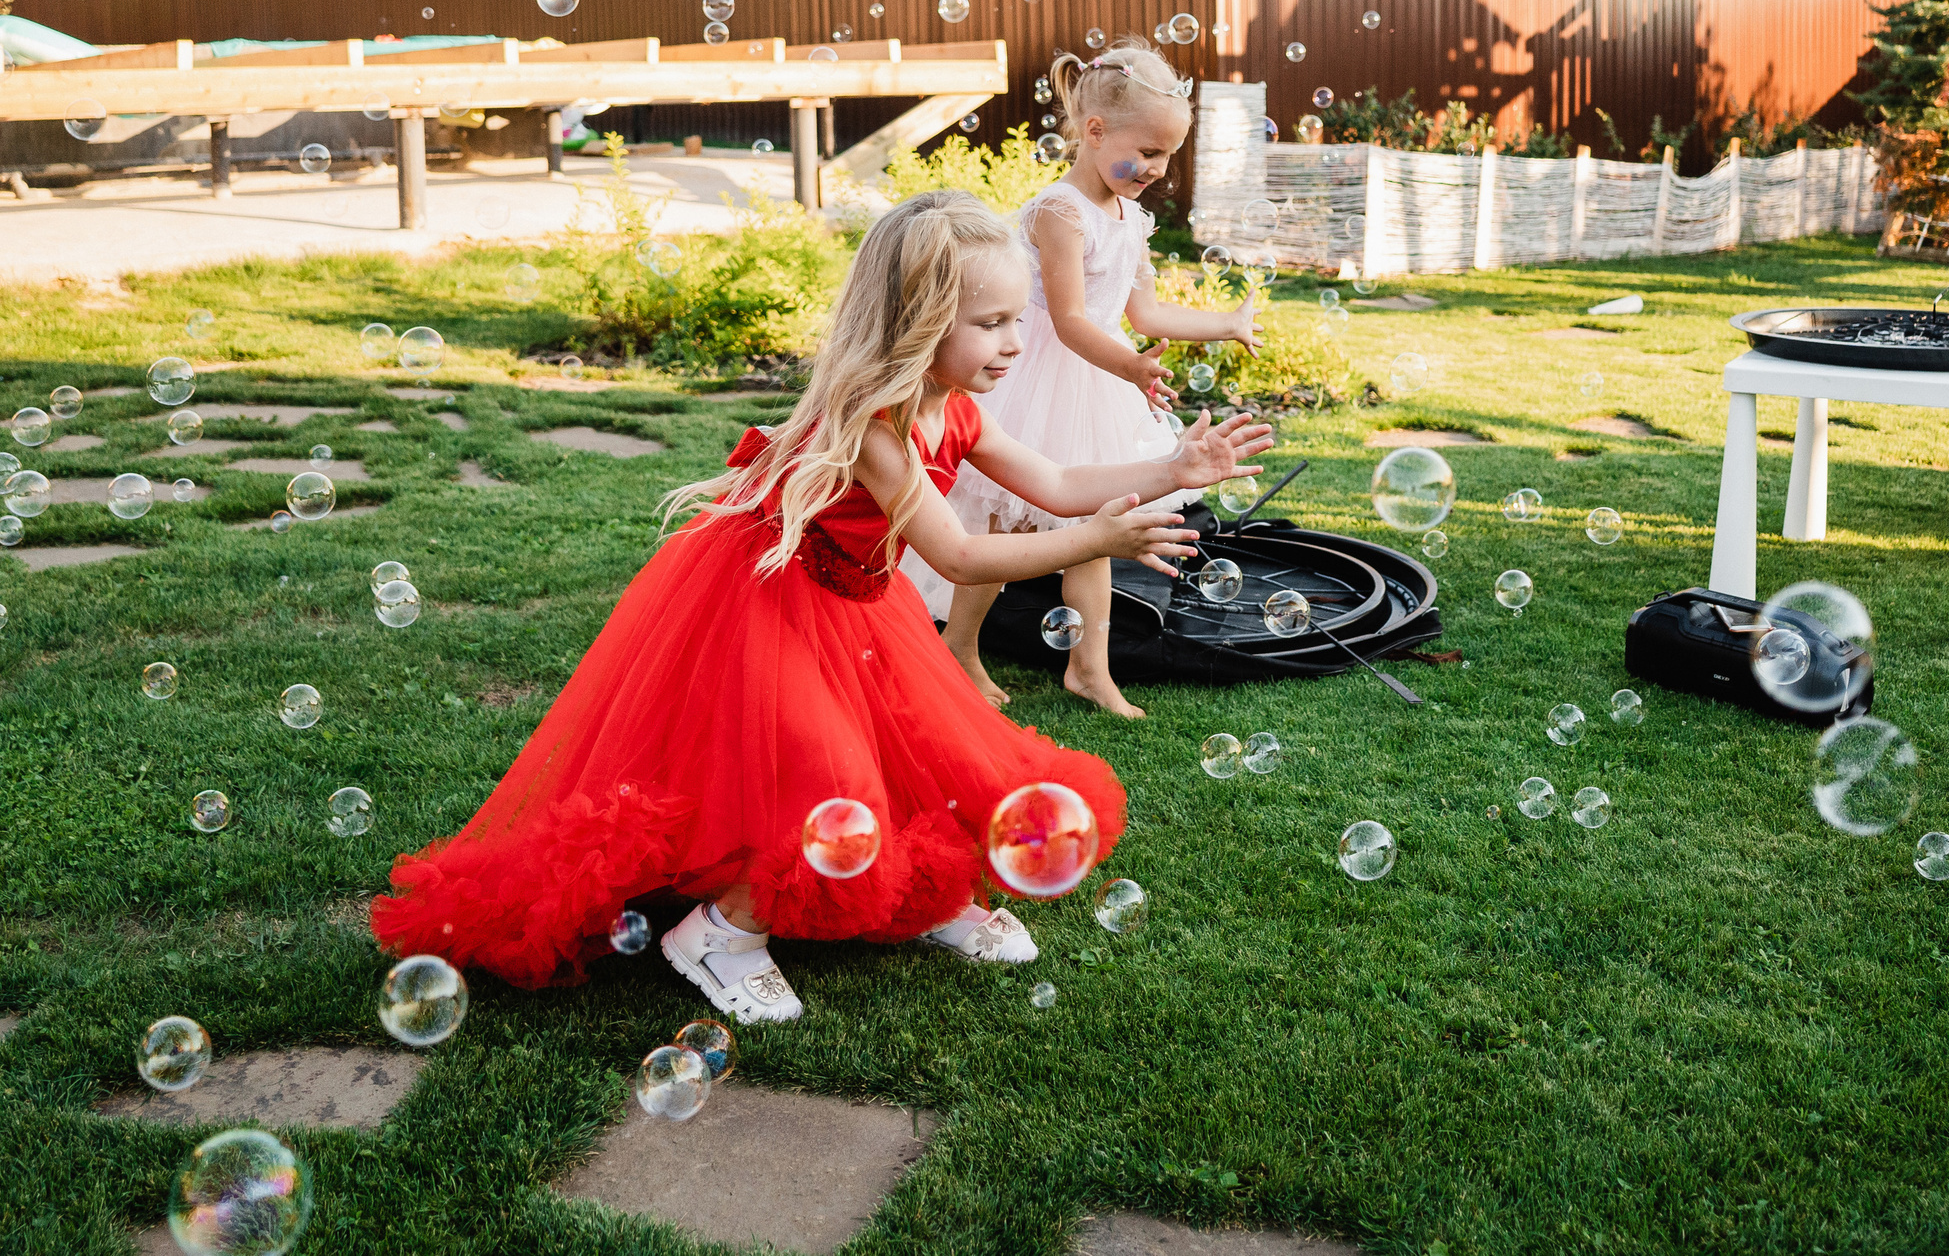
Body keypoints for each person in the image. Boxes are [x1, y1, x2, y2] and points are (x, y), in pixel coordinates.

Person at [371, 190, 1273, 1021]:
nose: (1013, 343)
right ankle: (720, 934)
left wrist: (1173, 469)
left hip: (857, 601)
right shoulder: (872, 419)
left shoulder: (955, 406)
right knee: (815, 777)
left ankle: (931, 896)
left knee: (927, 749)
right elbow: (956, 552)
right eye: (992, 323)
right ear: (920, 321)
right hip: (763, 599)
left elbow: (1062, 479)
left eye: (1017, 321)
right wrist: (1100, 542)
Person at [919, 37, 1262, 719]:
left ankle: (1089, 667)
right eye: (1150, 151)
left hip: (1099, 388)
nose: (1159, 170)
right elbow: (1073, 320)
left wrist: (1225, 323)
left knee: (1101, 526)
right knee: (1010, 525)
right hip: (1042, 376)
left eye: (1169, 155)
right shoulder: (1060, 211)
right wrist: (1131, 364)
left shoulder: (1131, 218)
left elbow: (1144, 310)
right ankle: (958, 644)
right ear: (1095, 130)